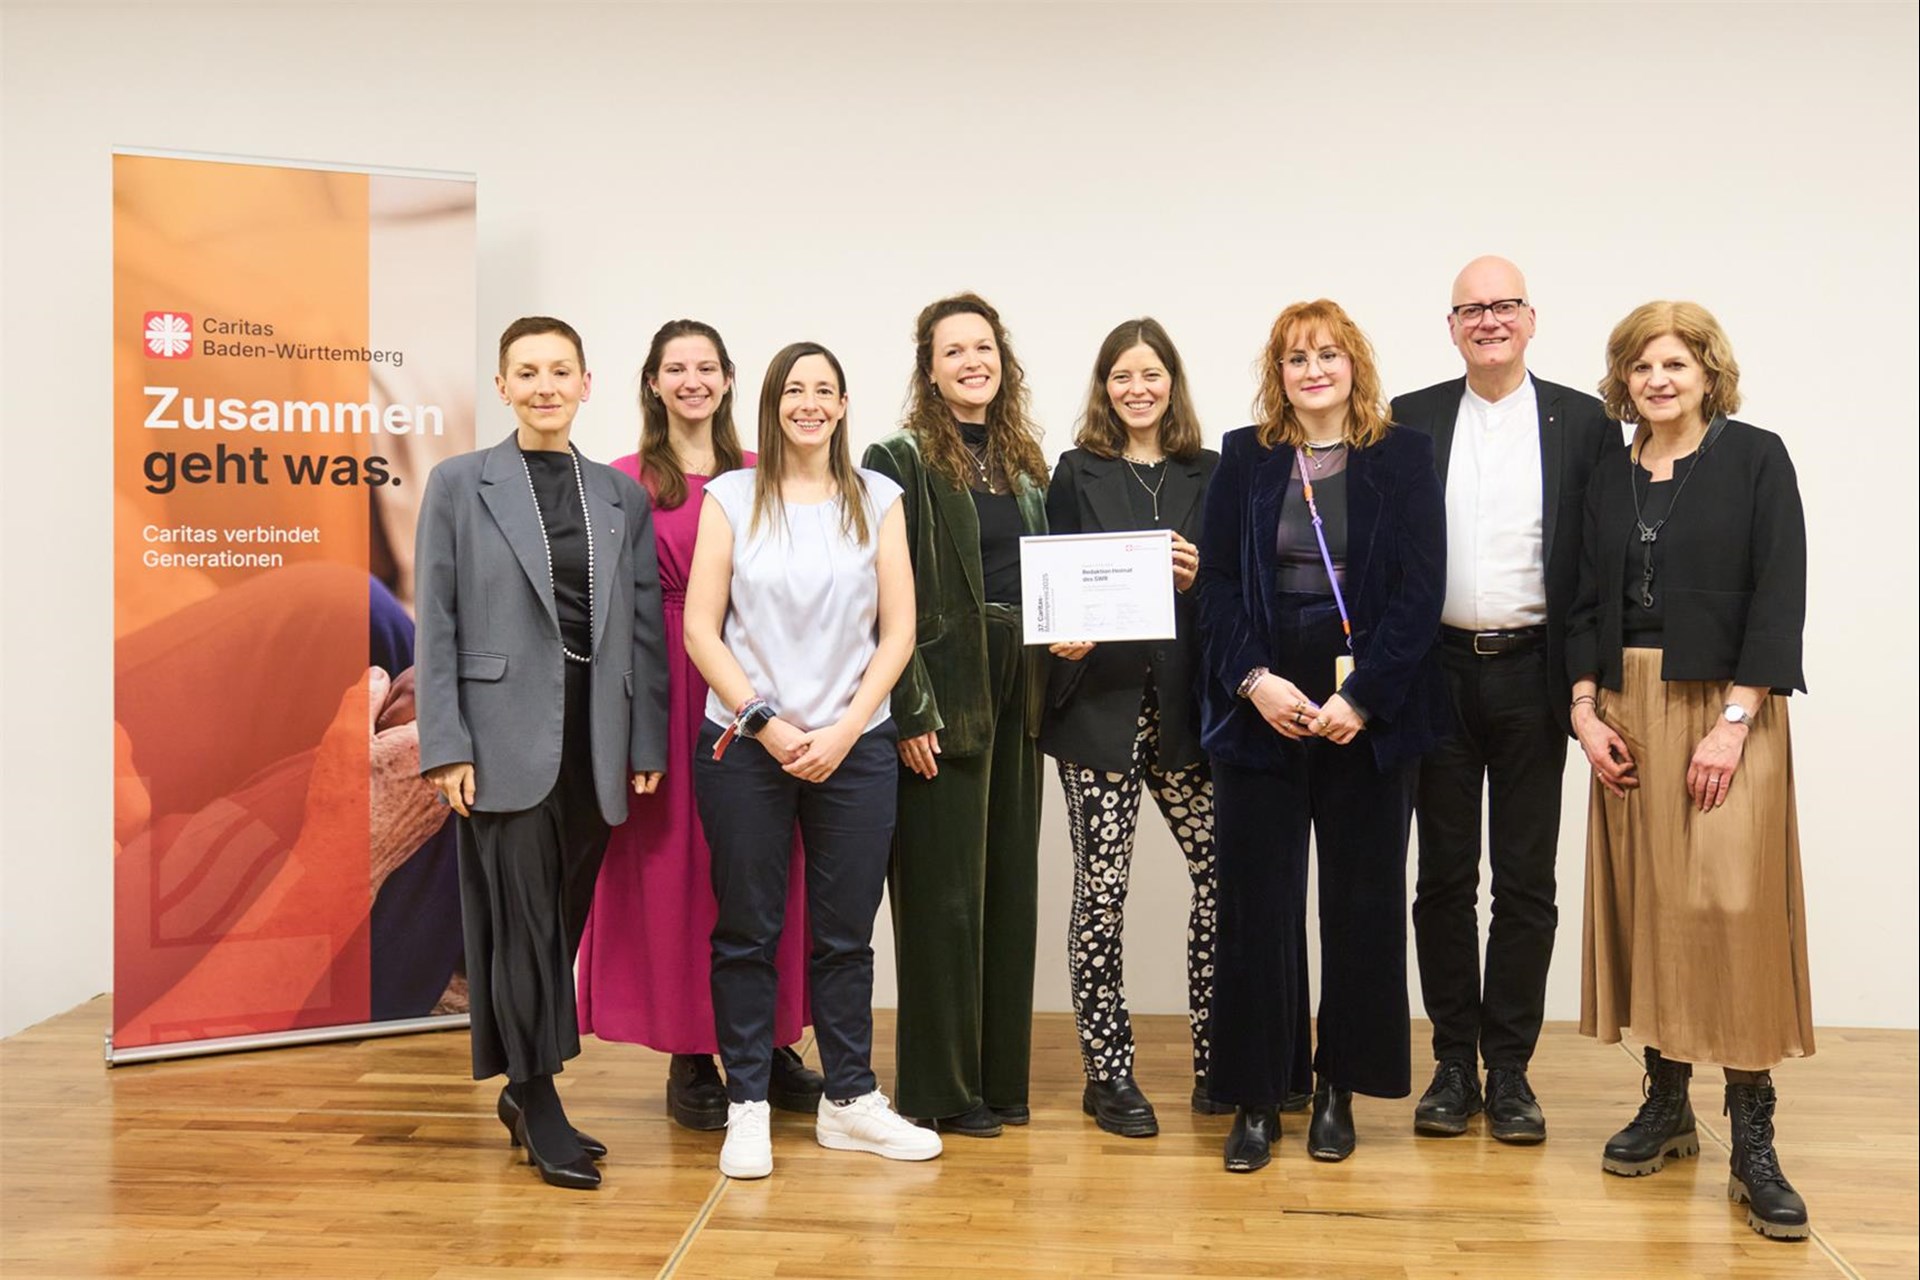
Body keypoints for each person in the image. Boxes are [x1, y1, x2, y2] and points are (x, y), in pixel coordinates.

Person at [1567, 301, 1812, 1241]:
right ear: (1622, 382)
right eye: (1639, 367)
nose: (1656, 381)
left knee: (1733, 913)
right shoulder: (1606, 476)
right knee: (1655, 904)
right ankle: (1667, 1103)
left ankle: (1754, 1136)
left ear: (1709, 372)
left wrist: (1736, 720)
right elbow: (1582, 599)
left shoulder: (1756, 458)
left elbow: (1778, 591)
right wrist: (1584, 712)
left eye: (1673, 364)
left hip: (1728, 709)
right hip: (1625, 708)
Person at [415, 316, 669, 1191]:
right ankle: (539, 1097)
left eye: (561, 370)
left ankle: (523, 1090)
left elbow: (641, 630)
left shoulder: (618, 497)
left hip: (594, 744)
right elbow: (435, 622)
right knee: (522, 925)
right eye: (527, 371)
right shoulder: (458, 483)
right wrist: (444, 745)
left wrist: (644, 740)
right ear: (502, 387)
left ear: (587, 384)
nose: (545, 385)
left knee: (555, 924)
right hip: (498, 741)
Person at [1194, 299, 1449, 1172]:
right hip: (1263, 695)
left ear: (1354, 367)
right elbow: (1218, 586)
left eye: (1329, 355)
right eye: (1298, 358)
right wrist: (1255, 681)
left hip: (1365, 706)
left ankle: (1339, 1087)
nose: (1314, 371)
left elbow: (1423, 590)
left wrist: (1366, 697)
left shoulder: (1405, 455)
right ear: (1279, 373)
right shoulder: (1245, 456)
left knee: (1361, 904)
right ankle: (1260, 1099)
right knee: (1256, 908)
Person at [684, 341, 939, 1178]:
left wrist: (845, 728)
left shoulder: (879, 497)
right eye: (795, 389)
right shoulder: (730, 497)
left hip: (853, 748)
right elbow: (700, 628)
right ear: (772, 402)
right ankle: (749, 1102)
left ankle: (850, 1100)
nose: (810, 403)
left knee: (844, 936)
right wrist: (765, 723)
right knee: (748, 931)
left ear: (840, 405)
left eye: (824, 390)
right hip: (746, 747)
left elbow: (898, 628)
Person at [575, 320, 822, 1132]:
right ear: (651, 381)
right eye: (675, 368)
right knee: (678, 874)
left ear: (726, 380)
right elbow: (605, 617)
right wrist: (627, 727)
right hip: (663, 689)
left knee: (763, 869)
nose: (691, 380)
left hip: (758, 693)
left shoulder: (767, 471)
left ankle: (773, 1040)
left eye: (706, 368)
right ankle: (691, 1053)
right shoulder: (619, 482)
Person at [1391, 257, 1617, 1144]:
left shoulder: (1586, 423)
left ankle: (1511, 1070)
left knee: (1527, 882)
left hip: (1536, 674)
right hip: (1434, 675)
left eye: (1504, 306)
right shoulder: (1408, 420)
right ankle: (1452, 1064)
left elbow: (1596, 568)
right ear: (1451, 327)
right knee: (1443, 879)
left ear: (1532, 318)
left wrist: (1588, 690)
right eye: (1471, 309)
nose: (1488, 320)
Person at [862, 293, 1049, 1137]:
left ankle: (1001, 1079)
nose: (973, 361)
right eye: (953, 351)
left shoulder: (1026, 463)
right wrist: (908, 711)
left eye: (984, 347)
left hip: (1024, 695)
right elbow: (882, 597)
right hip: (941, 693)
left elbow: (1044, 582)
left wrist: (1070, 639)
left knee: (1009, 888)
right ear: (929, 370)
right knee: (942, 900)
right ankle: (941, 1090)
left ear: (1001, 360)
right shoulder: (895, 459)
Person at [1039, 318, 1220, 1137]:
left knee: (1221, 881)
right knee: (1099, 897)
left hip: (1189, 715)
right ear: (1104, 387)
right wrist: (1060, 631)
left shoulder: (1211, 473)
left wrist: (1200, 575)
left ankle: (1219, 1057)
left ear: (1172, 383)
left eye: (1151, 374)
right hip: (1100, 713)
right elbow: (1050, 582)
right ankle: (1106, 1073)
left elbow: (1237, 594)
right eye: (1121, 376)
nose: (1137, 388)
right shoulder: (1077, 472)